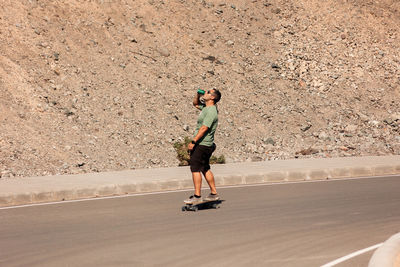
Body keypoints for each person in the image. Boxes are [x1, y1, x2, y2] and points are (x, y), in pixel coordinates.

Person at [184, 89, 222, 204]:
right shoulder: (206, 108)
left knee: (195, 169)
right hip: (206, 144)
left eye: (208, 92)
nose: (205, 92)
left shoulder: (211, 112)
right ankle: (214, 193)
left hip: (202, 144)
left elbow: (204, 128)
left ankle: (197, 196)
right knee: (205, 167)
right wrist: (198, 95)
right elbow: (195, 104)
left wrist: (193, 142)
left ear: (212, 98)